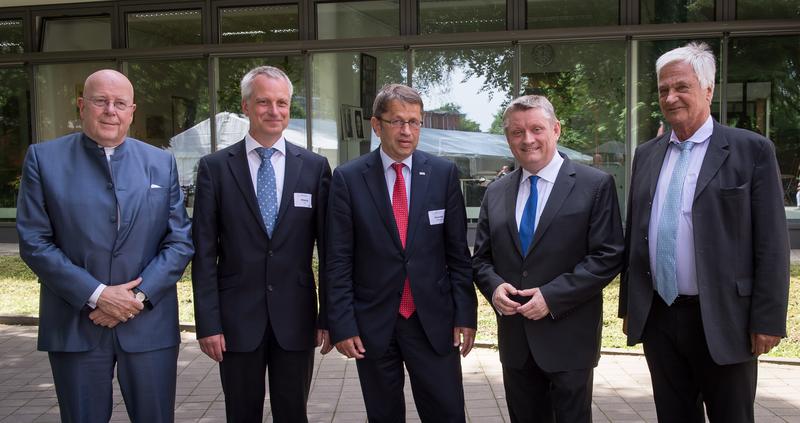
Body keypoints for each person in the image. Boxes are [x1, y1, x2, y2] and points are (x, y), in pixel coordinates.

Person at [619, 42, 790, 423]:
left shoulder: (751, 150)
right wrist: (631, 306)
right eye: (663, 89)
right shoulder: (647, 154)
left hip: (725, 319)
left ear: (708, 90)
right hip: (660, 318)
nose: (670, 96)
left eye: (682, 87)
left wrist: (768, 319)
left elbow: (772, 244)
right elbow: (637, 235)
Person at [16, 69, 194, 422]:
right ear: (82, 106)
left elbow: (179, 240)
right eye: (101, 101)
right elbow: (34, 241)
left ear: (132, 111)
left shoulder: (160, 162)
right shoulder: (43, 159)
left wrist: (135, 299)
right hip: (75, 324)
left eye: (119, 103)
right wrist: (97, 294)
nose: (110, 110)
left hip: (148, 325)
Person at [326, 83, 477, 422]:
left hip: (433, 322)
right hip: (373, 324)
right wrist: (341, 323)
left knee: (448, 413)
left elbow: (457, 254)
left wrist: (465, 315)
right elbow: (337, 259)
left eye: (414, 121)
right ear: (376, 126)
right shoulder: (348, 179)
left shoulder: (443, 174)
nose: (407, 131)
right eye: (397, 121)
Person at [191, 65, 332, 422]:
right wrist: (208, 323)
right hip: (236, 319)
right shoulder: (216, 168)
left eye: (282, 103)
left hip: (296, 318)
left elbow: (331, 251)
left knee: (292, 412)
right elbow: (204, 253)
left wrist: (329, 316)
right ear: (246, 106)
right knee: (241, 412)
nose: (274, 111)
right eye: (264, 102)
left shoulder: (315, 168)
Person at [472, 95, 624, 423]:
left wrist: (551, 298)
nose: (527, 139)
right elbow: (481, 259)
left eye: (536, 129)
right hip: (515, 341)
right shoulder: (496, 192)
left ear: (556, 129)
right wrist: (495, 288)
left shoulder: (595, 185)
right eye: (517, 132)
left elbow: (608, 255)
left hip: (569, 338)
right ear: (508, 138)